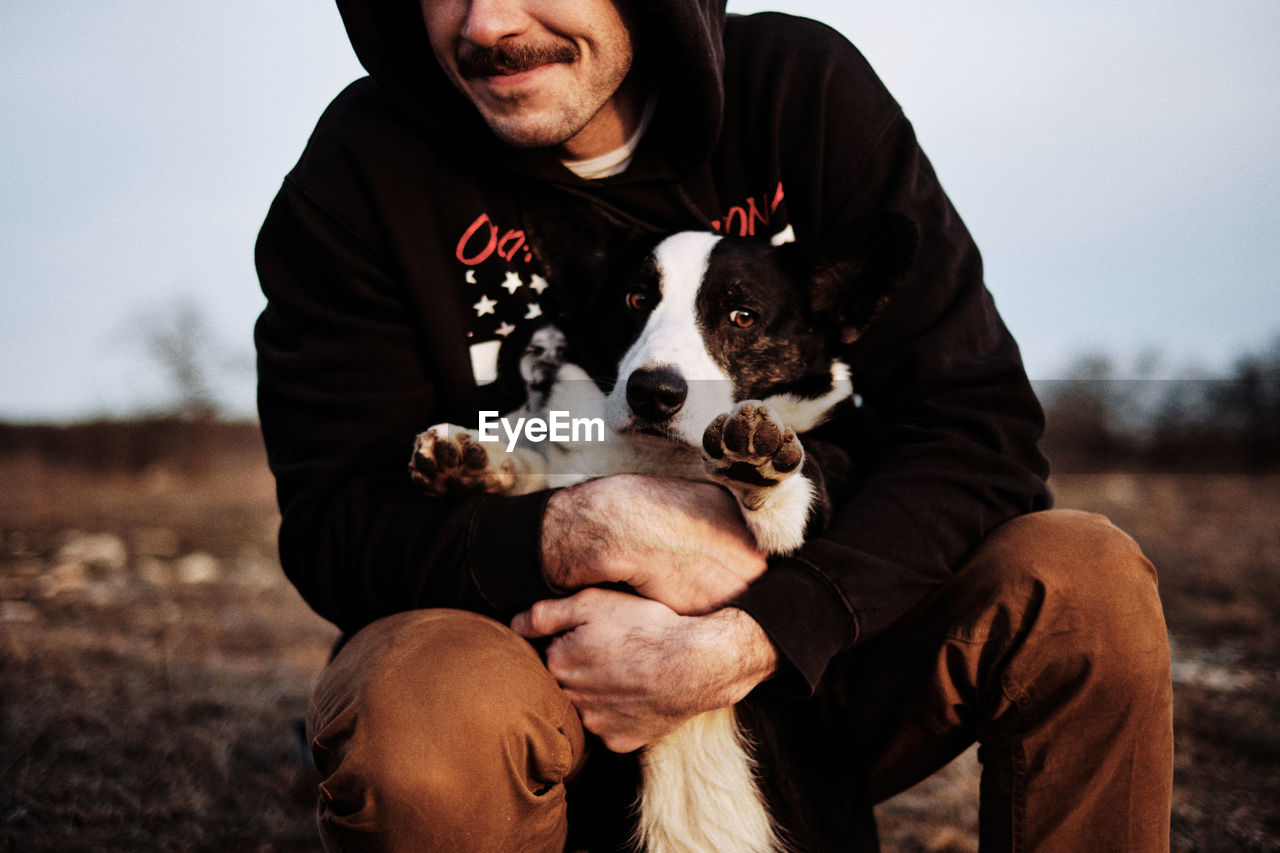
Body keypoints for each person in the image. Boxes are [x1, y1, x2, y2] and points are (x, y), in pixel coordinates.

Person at [254, 0, 1174, 850]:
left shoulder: (800, 94)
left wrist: (764, 629)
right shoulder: (361, 170)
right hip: (537, 669)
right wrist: (582, 533)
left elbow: (980, 433)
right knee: (423, 716)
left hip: (820, 659)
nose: (488, 22)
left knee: (1082, 582)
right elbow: (338, 523)